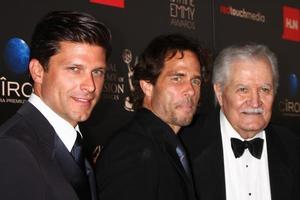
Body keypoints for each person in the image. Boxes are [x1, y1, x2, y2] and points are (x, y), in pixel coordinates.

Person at [0, 10, 111, 200]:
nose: (90, 86)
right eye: (75, 69)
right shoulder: (11, 150)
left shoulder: (72, 143)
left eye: (98, 72)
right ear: (38, 71)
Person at [183, 43, 300, 200]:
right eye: (243, 89)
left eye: (264, 90)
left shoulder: (292, 147)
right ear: (219, 92)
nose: (255, 102)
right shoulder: (185, 146)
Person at [95, 34, 204, 200]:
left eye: (195, 81)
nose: (191, 90)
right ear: (147, 86)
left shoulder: (172, 144)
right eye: (177, 78)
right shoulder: (133, 149)